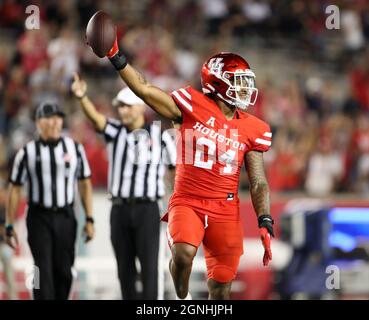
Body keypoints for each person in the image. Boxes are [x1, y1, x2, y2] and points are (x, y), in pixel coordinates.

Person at [88, 33, 274, 300]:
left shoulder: (254, 128)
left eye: (246, 82)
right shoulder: (191, 105)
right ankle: (182, 298)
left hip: (226, 209)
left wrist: (264, 218)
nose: (245, 89)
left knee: (221, 288)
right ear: (217, 82)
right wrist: (117, 56)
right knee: (184, 254)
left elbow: (258, 181)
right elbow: (145, 89)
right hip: (189, 201)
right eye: (238, 81)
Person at [71, 77, 176, 300]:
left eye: (127, 106)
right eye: (120, 107)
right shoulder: (116, 131)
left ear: (140, 106)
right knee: (124, 270)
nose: (123, 111)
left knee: (150, 269)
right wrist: (82, 98)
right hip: (119, 209)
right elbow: (97, 120)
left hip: (148, 209)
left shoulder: (160, 137)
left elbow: (176, 171)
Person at [3, 101, 95, 300]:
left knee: (64, 270)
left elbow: (85, 183)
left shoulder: (74, 148)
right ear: (38, 122)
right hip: (39, 216)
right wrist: (9, 224)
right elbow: (15, 188)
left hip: (65, 216)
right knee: (41, 267)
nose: (54, 123)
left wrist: (89, 219)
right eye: (49, 118)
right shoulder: (27, 152)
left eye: (58, 118)